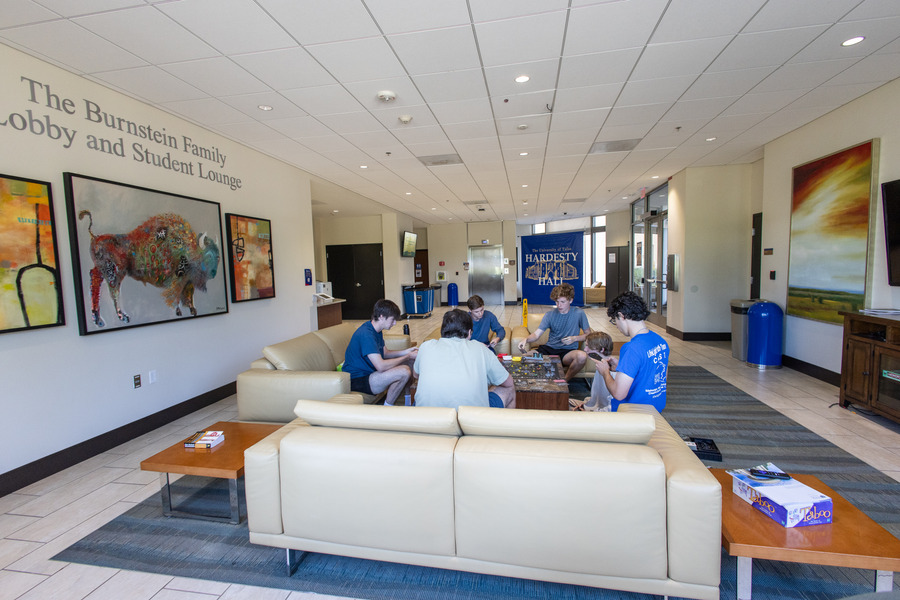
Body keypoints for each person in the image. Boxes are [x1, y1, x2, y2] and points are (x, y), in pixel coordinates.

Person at [413, 309, 515, 409]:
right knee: (509, 389)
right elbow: (508, 382)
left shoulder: (425, 346)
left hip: (427, 419)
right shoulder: (480, 348)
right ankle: (503, 425)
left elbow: (416, 375)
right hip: (471, 419)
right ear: (469, 332)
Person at [594, 291, 669, 412]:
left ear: (622, 316)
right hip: (654, 409)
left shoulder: (631, 348)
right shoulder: (660, 341)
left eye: (615, 320)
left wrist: (605, 372)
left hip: (630, 413)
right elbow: (655, 374)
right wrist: (622, 366)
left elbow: (618, 394)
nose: (617, 326)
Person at [343, 299, 418, 406]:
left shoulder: (376, 330)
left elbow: (385, 353)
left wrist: (406, 352)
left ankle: (408, 402)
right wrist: (407, 356)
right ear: (382, 316)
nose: (395, 323)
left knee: (410, 362)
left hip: (370, 374)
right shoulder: (366, 334)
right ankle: (386, 409)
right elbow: (381, 366)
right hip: (358, 380)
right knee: (404, 371)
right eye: (392, 320)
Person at [516, 282, 592, 382]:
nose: (559, 305)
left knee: (582, 356)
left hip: (567, 353)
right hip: (548, 350)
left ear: (571, 300)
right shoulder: (549, 314)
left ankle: (563, 381)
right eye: (557, 301)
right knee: (525, 358)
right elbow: (536, 334)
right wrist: (526, 339)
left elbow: (589, 335)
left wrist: (575, 338)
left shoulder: (579, 313)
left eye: (563, 302)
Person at [570, 331, 614, 411]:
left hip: (599, 413)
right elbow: (596, 398)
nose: (585, 349)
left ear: (601, 349)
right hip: (592, 406)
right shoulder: (600, 365)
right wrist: (585, 404)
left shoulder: (612, 372)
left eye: (588, 346)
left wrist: (591, 413)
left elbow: (611, 406)